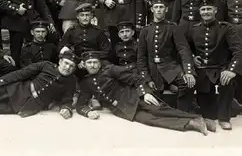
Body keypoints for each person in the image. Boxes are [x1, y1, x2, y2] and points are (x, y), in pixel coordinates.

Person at [76, 51, 208, 136]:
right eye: (89, 63)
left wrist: (145, 93)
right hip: (121, 109)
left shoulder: (110, 70)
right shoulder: (86, 83)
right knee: (150, 120)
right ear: (85, 65)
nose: (92, 65)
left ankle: (199, 119)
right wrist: (88, 112)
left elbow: (136, 78)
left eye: (95, 62)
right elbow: (80, 105)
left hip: (133, 96)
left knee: (159, 110)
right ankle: (192, 123)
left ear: (99, 63)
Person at [188, 0, 242, 131]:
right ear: (199, 12)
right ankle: (233, 105)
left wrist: (231, 70)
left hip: (221, 69)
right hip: (203, 71)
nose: (206, 12)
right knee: (209, 114)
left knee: (228, 81)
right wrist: (192, 58)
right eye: (203, 9)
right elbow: (186, 49)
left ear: (215, 10)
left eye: (209, 9)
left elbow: (240, 50)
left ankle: (224, 118)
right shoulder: (194, 29)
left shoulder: (226, 28)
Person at [137, 0, 196, 114]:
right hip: (153, 70)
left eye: (161, 7)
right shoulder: (145, 30)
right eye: (156, 7)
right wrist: (147, 78)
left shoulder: (173, 27)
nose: (158, 9)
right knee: (153, 101)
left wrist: (188, 71)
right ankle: (166, 114)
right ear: (152, 9)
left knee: (187, 84)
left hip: (171, 67)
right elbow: (141, 57)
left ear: (166, 9)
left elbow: (183, 50)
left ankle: (182, 113)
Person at [58, 2, 111, 110]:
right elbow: (61, 49)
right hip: (77, 62)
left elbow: (107, 50)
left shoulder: (98, 31)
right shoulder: (71, 31)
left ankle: (95, 96)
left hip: (93, 62)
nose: (85, 17)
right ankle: (73, 95)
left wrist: (91, 60)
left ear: (92, 16)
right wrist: (77, 61)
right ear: (77, 17)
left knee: (104, 68)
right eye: (82, 15)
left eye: (87, 15)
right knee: (67, 68)